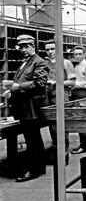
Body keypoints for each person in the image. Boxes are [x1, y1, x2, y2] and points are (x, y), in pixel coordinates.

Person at [2, 34, 48, 182]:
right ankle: (39, 168)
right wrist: (12, 90)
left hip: (31, 108)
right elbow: (24, 82)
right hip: (24, 108)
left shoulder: (39, 62)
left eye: (26, 46)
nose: (23, 49)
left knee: (32, 140)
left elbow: (40, 83)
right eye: (21, 47)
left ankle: (34, 171)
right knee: (33, 139)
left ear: (33, 46)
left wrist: (17, 86)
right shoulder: (25, 62)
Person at [44, 39, 76, 163]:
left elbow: (72, 82)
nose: (50, 52)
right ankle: (56, 155)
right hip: (47, 98)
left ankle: (64, 156)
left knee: (61, 128)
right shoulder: (44, 63)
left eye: (52, 49)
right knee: (52, 128)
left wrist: (57, 83)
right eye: (47, 49)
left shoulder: (65, 63)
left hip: (61, 97)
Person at [71, 45, 86, 154]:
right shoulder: (75, 66)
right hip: (75, 94)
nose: (78, 56)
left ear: (84, 55)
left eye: (80, 54)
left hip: (83, 94)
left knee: (83, 121)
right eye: (76, 54)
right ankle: (83, 144)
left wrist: (75, 84)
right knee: (78, 120)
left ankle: (85, 146)